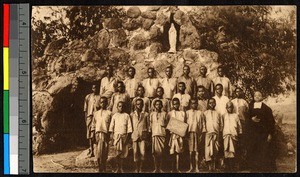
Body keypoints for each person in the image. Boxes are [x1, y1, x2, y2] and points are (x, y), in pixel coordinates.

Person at [246, 91, 276, 172]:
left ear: (262, 97)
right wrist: (251, 119)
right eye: (255, 95)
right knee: (253, 149)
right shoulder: (250, 107)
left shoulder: (267, 108)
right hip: (253, 134)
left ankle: (263, 168)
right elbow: (247, 119)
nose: (257, 96)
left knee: (263, 150)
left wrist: (270, 134)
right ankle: (254, 168)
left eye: (259, 95)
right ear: (253, 97)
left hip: (263, 134)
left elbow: (271, 122)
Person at [109, 101, 133, 173]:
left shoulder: (127, 116)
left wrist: (127, 139)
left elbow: (129, 128)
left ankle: (121, 168)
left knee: (122, 154)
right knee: (117, 153)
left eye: (122, 106)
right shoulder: (115, 116)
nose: (121, 108)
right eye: (119, 106)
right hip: (116, 137)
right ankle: (117, 168)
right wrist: (112, 136)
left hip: (124, 136)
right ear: (117, 107)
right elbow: (111, 127)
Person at [186, 99, 206, 172]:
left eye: (195, 103)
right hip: (190, 133)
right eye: (192, 103)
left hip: (197, 133)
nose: (194, 105)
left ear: (197, 104)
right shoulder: (187, 113)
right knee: (191, 152)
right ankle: (191, 167)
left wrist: (202, 133)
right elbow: (184, 123)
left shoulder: (200, 113)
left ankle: (197, 167)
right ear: (190, 104)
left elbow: (203, 123)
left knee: (197, 151)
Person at [92, 97, 112, 172]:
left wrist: (110, 134)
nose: (102, 104)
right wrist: (93, 134)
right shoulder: (96, 113)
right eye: (101, 102)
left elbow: (111, 125)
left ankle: (104, 166)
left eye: (104, 102)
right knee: (98, 151)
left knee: (104, 151)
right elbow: (93, 125)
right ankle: (100, 167)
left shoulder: (109, 113)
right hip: (98, 134)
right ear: (99, 103)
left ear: (106, 103)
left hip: (105, 134)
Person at [221, 101, 242, 172]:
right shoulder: (223, 116)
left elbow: (239, 126)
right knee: (226, 151)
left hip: (234, 135)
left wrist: (240, 133)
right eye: (228, 107)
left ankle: (232, 167)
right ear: (226, 108)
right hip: (226, 135)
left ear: (233, 108)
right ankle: (227, 167)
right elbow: (222, 126)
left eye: (231, 107)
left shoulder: (235, 115)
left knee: (233, 151)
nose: (229, 108)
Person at [231, 87, 249, 169]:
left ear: (241, 92)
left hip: (243, 123)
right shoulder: (232, 102)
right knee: (235, 142)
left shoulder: (244, 102)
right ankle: (234, 163)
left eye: (239, 91)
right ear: (234, 93)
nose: (238, 93)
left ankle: (242, 163)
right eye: (236, 91)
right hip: (234, 124)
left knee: (242, 143)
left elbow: (247, 113)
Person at [167, 98, 186, 172]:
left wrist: (180, 132)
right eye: (174, 104)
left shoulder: (182, 113)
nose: (176, 105)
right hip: (172, 135)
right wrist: (173, 130)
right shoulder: (170, 113)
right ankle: (172, 168)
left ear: (179, 104)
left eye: (177, 104)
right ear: (172, 104)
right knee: (172, 151)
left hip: (180, 135)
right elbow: (168, 124)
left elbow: (184, 123)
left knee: (178, 151)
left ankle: (178, 168)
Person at [149, 99, 169, 173]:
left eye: (159, 104)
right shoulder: (152, 114)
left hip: (162, 134)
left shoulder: (165, 114)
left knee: (161, 153)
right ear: (154, 106)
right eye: (156, 104)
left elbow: (167, 125)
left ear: (162, 106)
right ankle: (156, 168)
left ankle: (160, 168)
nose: (158, 106)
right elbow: (150, 125)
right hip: (154, 134)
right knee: (154, 153)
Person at [130, 98, 149, 173]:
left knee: (143, 152)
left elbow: (148, 125)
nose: (139, 106)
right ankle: (136, 168)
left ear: (143, 105)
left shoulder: (146, 114)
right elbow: (130, 125)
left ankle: (141, 167)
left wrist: (147, 134)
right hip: (135, 135)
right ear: (135, 105)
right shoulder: (132, 114)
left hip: (142, 135)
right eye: (137, 104)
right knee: (135, 152)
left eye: (141, 104)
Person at [203, 98, 221, 171]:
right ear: (208, 104)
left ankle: (214, 166)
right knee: (208, 150)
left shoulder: (218, 113)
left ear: (215, 104)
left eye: (213, 103)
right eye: (210, 103)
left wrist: (219, 130)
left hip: (216, 133)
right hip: (208, 133)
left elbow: (221, 123)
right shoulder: (205, 113)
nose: (211, 104)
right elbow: (203, 123)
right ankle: (209, 167)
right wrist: (205, 130)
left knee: (215, 149)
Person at [84, 84, 100, 157]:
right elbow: (85, 109)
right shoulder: (88, 97)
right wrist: (86, 119)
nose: (95, 89)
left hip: (97, 117)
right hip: (90, 116)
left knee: (96, 133)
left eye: (96, 88)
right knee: (90, 134)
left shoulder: (100, 97)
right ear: (92, 89)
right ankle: (91, 149)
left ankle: (97, 150)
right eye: (93, 88)